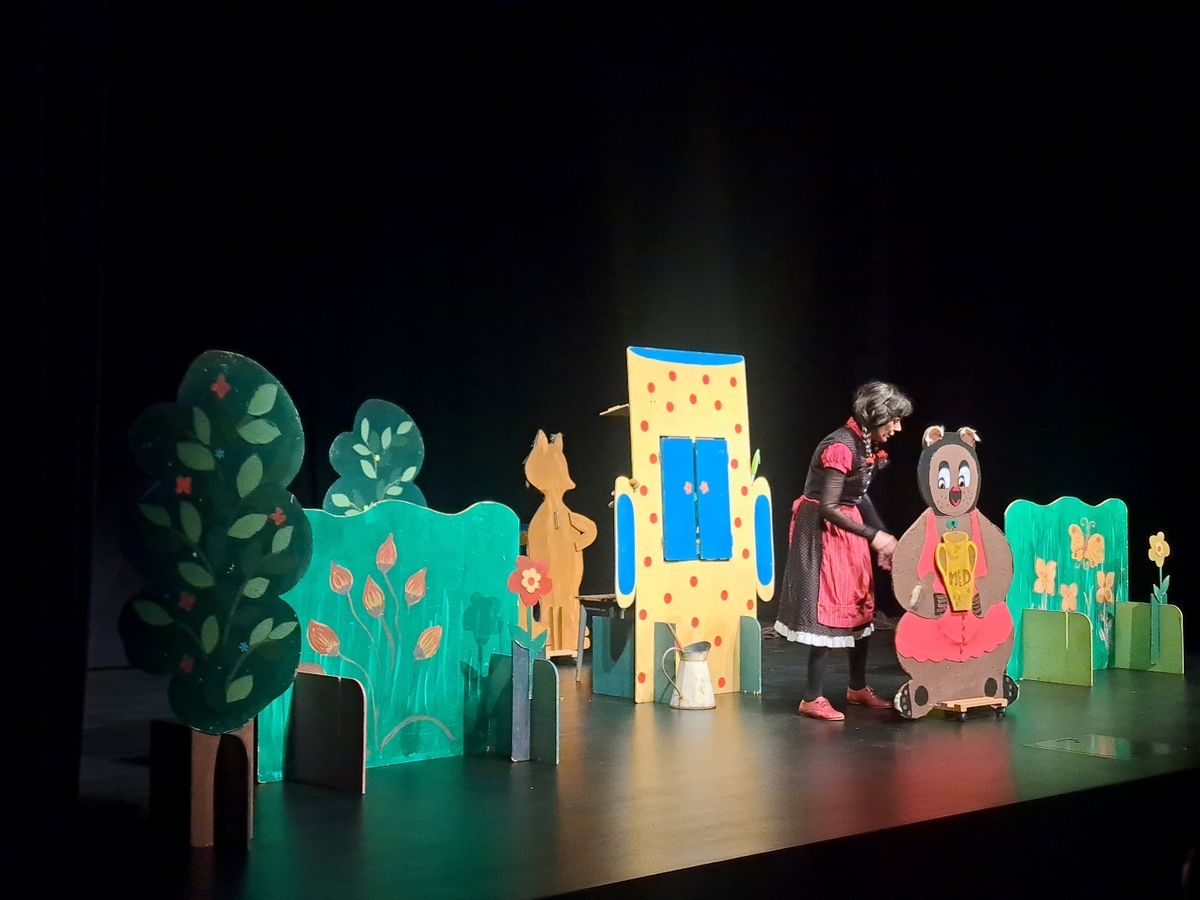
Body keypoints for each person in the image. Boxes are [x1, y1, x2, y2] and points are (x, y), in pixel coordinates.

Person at [773, 381, 913, 720]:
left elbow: (858, 496)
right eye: (893, 420)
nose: (897, 428)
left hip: (847, 525)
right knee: (830, 605)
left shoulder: (863, 444)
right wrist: (874, 536)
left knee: (859, 602)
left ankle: (857, 687)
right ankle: (811, 697)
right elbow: (828, 507)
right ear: (875, 416)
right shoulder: (839, 446)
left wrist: (882, 535)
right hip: (822, 530)